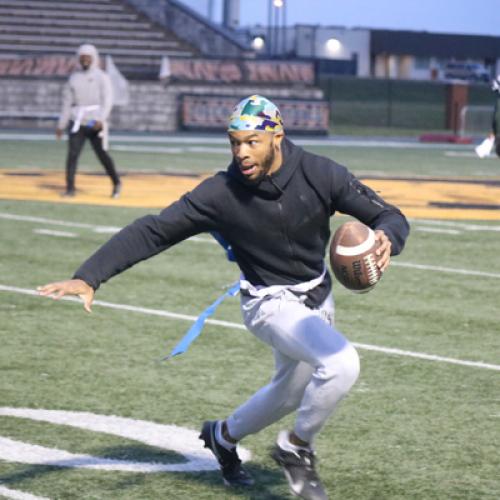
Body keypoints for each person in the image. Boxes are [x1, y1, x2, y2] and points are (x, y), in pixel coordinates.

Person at [39, 95, 409, 500]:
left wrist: (387, 237)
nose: (241, 152)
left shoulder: (321, 173)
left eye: (252, 141)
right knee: (341, 363)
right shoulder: (220, 192)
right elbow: (155, 230)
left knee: (290, 393)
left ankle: (222, 436)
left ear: (277, 137)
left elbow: (388, 214)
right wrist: (89, 276)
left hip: (318, 296)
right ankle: (297, 449)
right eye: (234, 142)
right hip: (267, 303)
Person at [56, 44, 121, 198]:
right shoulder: (73, 77)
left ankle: (116, 182)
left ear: (94, 58)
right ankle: (70, 188)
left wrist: (101, 119)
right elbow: (67, 103)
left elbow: (108, 100)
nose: (85, 60)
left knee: (102, 154)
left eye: (88, 57)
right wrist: (61, 124)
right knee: (72, 154)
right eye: (82, 57)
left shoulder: (101, 77)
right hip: (77, 120)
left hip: (95, 122)